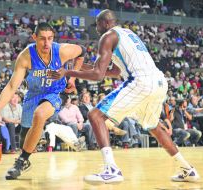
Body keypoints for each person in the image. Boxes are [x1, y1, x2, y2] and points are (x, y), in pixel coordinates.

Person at [48, 9, 200, 183]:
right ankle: (188, 169)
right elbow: (113, 71)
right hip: (159, 81)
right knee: (154, 127)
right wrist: (78, 67)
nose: (96, 28)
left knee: (95, 115)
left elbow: (98, 75)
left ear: (105, 23)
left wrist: (67, 71)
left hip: (141, 82)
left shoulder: (107, 37)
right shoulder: (128, 33)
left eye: (97, 24)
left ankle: (111, 169)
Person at [0, 22, 85, 180]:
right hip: (34, 94)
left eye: (50, 38)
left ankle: (21, 161)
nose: (47, 43)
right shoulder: (26, 56)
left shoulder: (62, 50)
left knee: (40, 114)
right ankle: (30, 149)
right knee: (25, 134)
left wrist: (73, 77)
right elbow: (11, 86)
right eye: (42, 39)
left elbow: (81, 52)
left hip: (56, 92)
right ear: (34, 37)